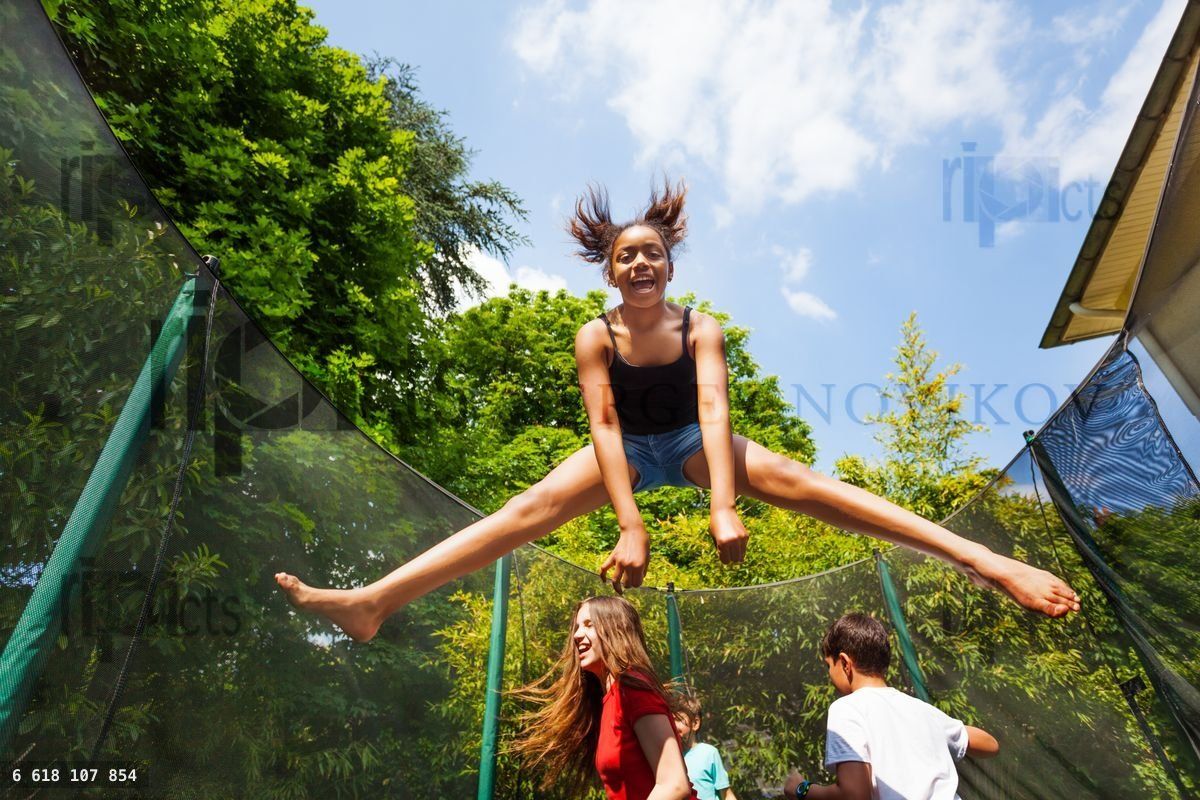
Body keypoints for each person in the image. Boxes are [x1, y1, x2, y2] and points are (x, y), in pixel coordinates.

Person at [273, 178, 1080, 643]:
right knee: (524, 511)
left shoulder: (703, 328)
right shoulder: (595, 335)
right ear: (610, 270)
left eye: (652, 252)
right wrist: (632, 523)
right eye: (625, 254)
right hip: (623, 451)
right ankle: (375, 600)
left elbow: (715, 411)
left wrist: (723, 506)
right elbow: (605, 427)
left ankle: (986, 560)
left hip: (696, 440)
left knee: (803, 480)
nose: (640, 262)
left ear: (669, 263)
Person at [782, 613, 999, 800]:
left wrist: (801, 789)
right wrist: (945, 732)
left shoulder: (847, 709)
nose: (829, 674)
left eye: (829, 666)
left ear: (845, 663)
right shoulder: (921, 710)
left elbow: (855, 795)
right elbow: (990, 745)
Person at [511, 595, 697, 800]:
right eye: (577, 627)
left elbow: (674, 785)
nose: (577, 635)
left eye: (589, 625)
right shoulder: (608, 697)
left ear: (616, 630)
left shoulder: (633, 687)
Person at [673, 693, 738, 800]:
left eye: (679, 719)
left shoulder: (708, 753)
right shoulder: (667, 758)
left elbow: (726, 795)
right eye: (671, 720)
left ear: (695, 723)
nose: (674, 725)